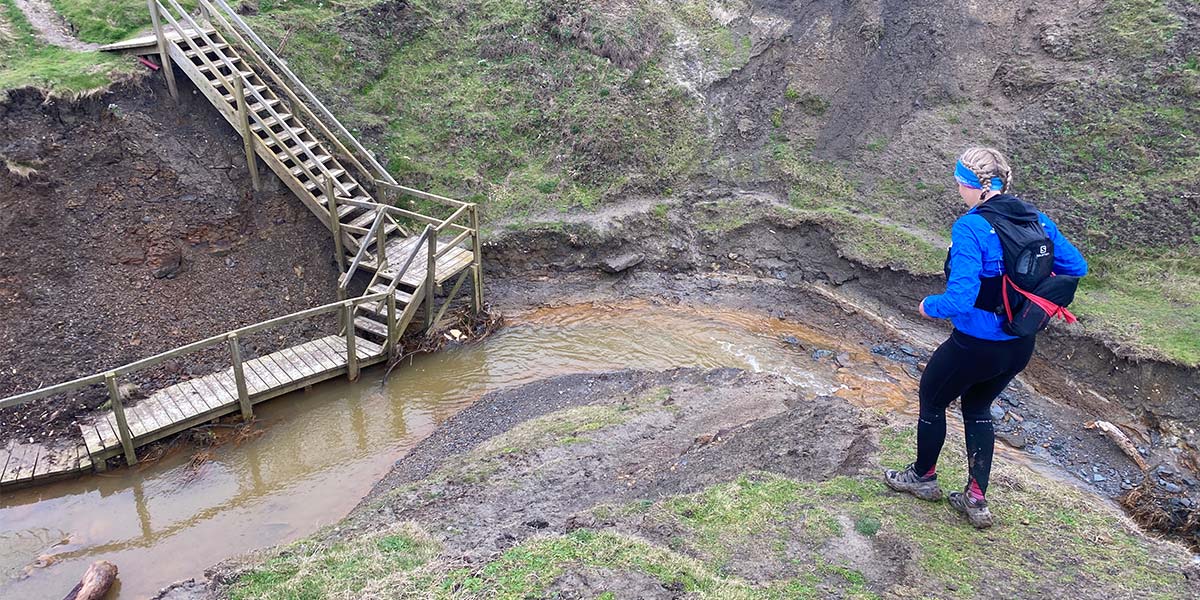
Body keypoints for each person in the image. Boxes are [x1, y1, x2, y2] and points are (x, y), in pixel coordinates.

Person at [883, 147, 1088, 528]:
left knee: (932, 399)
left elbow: (959, 299)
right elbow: (1076, 266)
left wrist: (929, 305)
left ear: (975, 186)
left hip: (975, 345)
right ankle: (976, 500)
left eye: (959, 183)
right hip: (1019, 344)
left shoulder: (970, 228)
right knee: (977, 409)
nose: (958, 190)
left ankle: (923, 478)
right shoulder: (1038, 221)